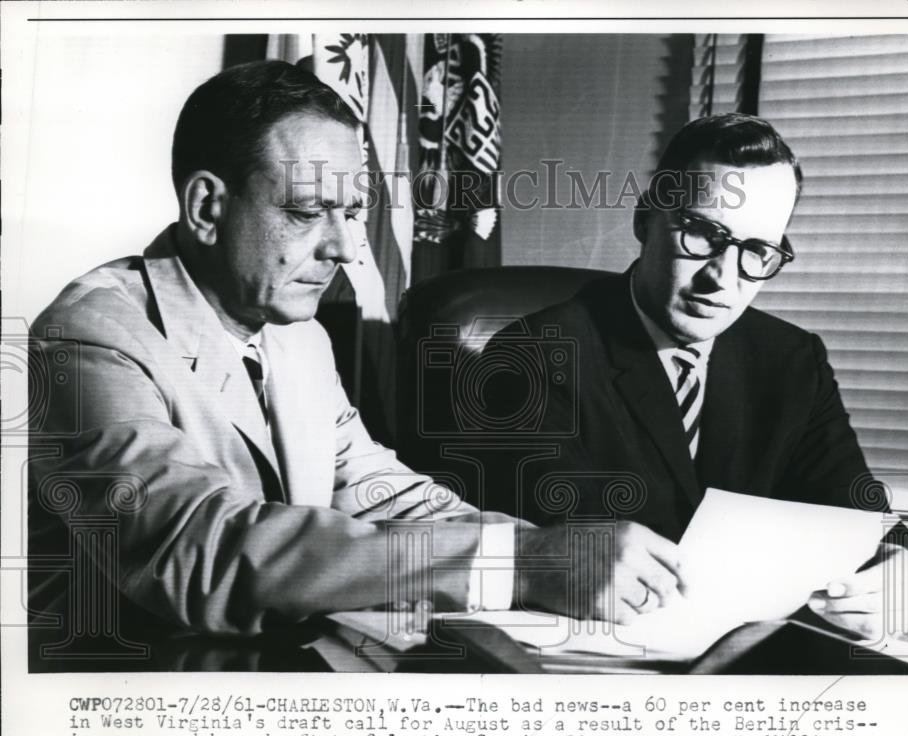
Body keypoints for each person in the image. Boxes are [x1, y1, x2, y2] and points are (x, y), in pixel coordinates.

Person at [26, 60, 683, 653]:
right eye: (310, 211)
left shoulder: (295, 333)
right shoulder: (88, 339)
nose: (343, 249)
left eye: (353, 212)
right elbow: (199, 553)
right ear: (207, 208)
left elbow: (381, 494)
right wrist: (520, 561)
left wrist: (560, 551)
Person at [482, 113, 908, 638]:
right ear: (645, 220)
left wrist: (904, 570)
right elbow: (557, 548)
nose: (722, 279)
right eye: (702, 233)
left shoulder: (791, 359)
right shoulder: (537, 354)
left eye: (757, 252)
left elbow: (857, 511)